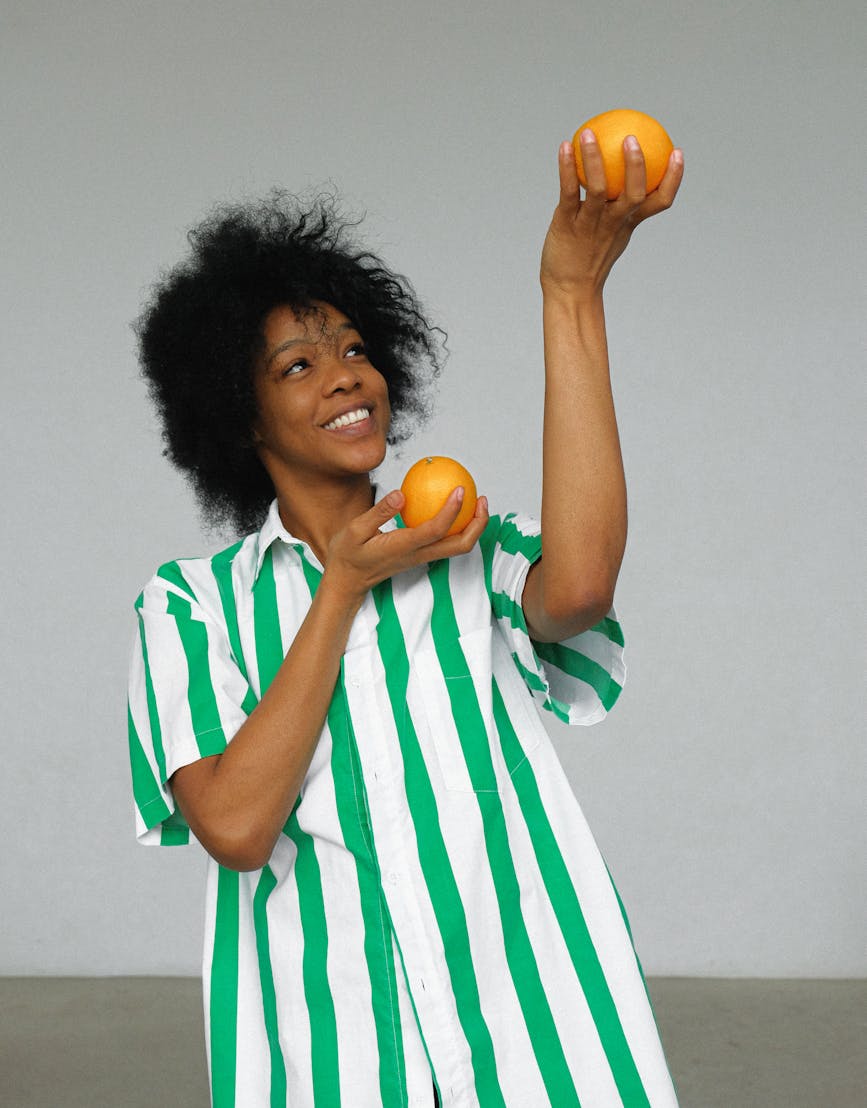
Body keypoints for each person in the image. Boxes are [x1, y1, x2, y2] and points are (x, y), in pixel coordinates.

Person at [128, 132, 684, 1108]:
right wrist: (340, 588)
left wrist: (571, 295)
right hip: (329, 1054)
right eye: (297, 365)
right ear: (241, 417)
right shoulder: (188, 606)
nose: (346, 374)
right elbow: (235, 823)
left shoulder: (473, 547)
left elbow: (584, 585)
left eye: (353, 349)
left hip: (541, 1025)